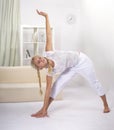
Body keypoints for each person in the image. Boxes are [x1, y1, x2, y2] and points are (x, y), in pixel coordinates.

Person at [31, 10, 110, 118]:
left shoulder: (48, 52)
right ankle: (44, 110)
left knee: (94, 82)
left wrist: (46, 17)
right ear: (40, 68)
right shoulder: (50, 73)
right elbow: (47, 91)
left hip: (82, 61)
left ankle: (106, 105)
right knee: (55, 87)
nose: (41, 60)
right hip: (71, 67)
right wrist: (44, 108)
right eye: (38, 62)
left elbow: (48, 33)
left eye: (39, 58)